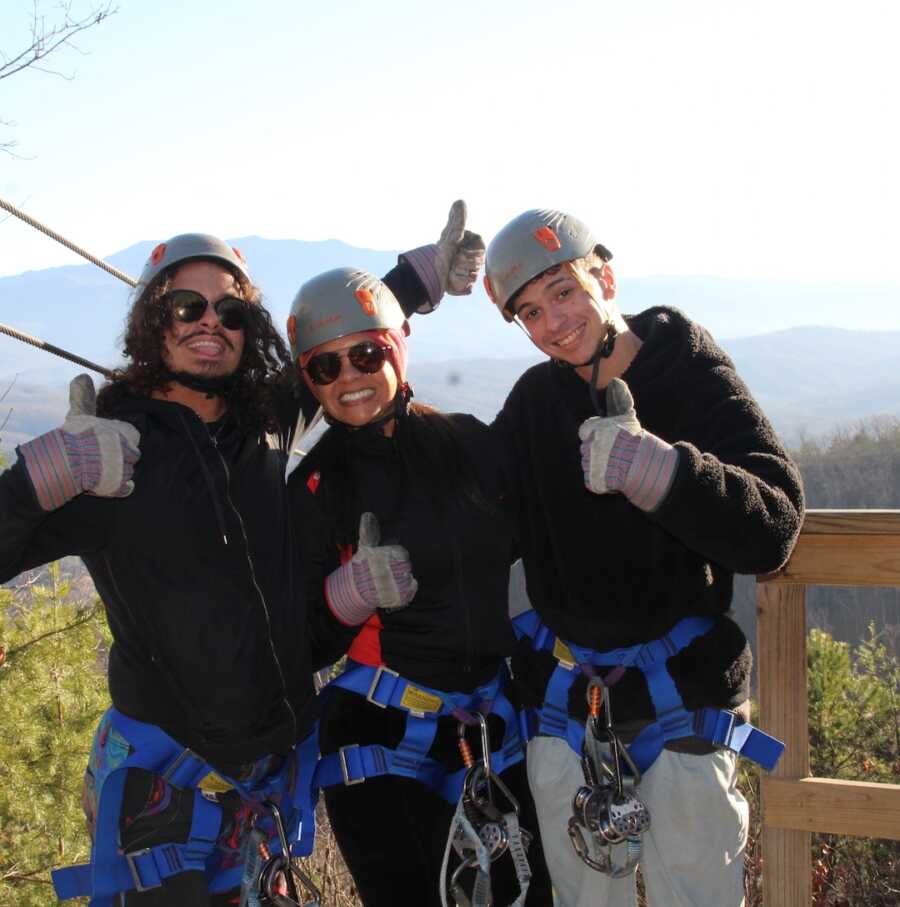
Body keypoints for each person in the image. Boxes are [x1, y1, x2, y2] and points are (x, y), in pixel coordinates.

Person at [0, 208, 482, 906]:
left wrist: (420, 277)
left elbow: (334, 344)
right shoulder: (109, 453)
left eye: (230, 311)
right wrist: (34, 480)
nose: (209, 322)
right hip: (168, 787)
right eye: (186, 305)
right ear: (152, 321)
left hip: (268, 781)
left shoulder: (263, 421)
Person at [471, 209, 805, 906]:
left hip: (682, 706)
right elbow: (480, 522)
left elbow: (773, 521)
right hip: (568, 712)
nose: (554, 323)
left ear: (606, 276)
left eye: (564, 292)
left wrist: (666, 474)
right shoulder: (536, 403)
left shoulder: (684, 368)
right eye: (531, 311)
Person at [287, 267, 553, 906]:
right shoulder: (317, 490)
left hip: (490, 725)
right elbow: (296, 643)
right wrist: (345, 596)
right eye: (325, 367)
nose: (349, 377)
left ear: (397, 347)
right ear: (307, 379)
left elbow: (544, 541)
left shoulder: (468, 445)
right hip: (380, 737)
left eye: (366, 354)